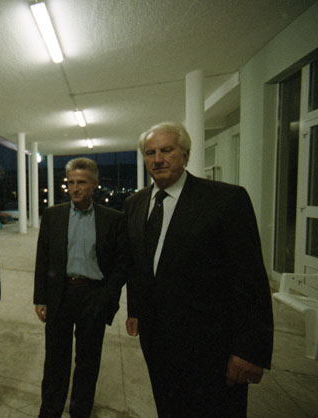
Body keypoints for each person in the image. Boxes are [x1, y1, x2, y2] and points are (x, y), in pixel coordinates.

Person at [123, 121, 273, 417]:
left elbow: (250, 280)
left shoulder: (226, 200)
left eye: (167, 150)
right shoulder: (135, 203)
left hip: (211, 346)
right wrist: (135, 309)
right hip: (156, 341)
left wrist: (249, 351)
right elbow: (137, 265)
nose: (158, 159)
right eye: (151, 152)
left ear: (186, 155)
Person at [34, 158, 128, 418]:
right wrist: (40, 298)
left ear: (94, 184)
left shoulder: (112, 219)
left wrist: (108, 297)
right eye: (71, 182)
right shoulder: (53, 215)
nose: (74, 188)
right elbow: (43, 259)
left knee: (87, 362)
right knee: (55, 361)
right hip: (60, 295)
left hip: (93, 295)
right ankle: (50, 412)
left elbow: (121, 264)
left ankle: (80, 412)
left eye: (81, 183)